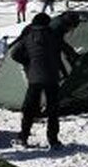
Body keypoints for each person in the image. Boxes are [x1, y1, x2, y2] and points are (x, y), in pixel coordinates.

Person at [12, 12, 66, 148]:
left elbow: (15, 54)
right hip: (52, 77)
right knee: (53, 110)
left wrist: (28, 62)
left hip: (34, 78)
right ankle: (53, 140)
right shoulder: (54, 36)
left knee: (29, 109)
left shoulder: (28, 36)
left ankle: (23, 136)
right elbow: (60, 53)